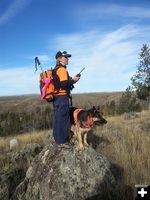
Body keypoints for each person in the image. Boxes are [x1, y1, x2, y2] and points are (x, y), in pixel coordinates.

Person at [52, 51, 80, 148]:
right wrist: (74, 81)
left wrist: (71, 81)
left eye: (68, 57)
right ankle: (63, 142)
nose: (68, 59)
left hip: (56, 98)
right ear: (59, 58)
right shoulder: (62, 69)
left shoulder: (56, 69)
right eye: (66, 57)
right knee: (63, 119)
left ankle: (57, 139)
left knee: (58, 119)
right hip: (62, 98)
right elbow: (64, 84)